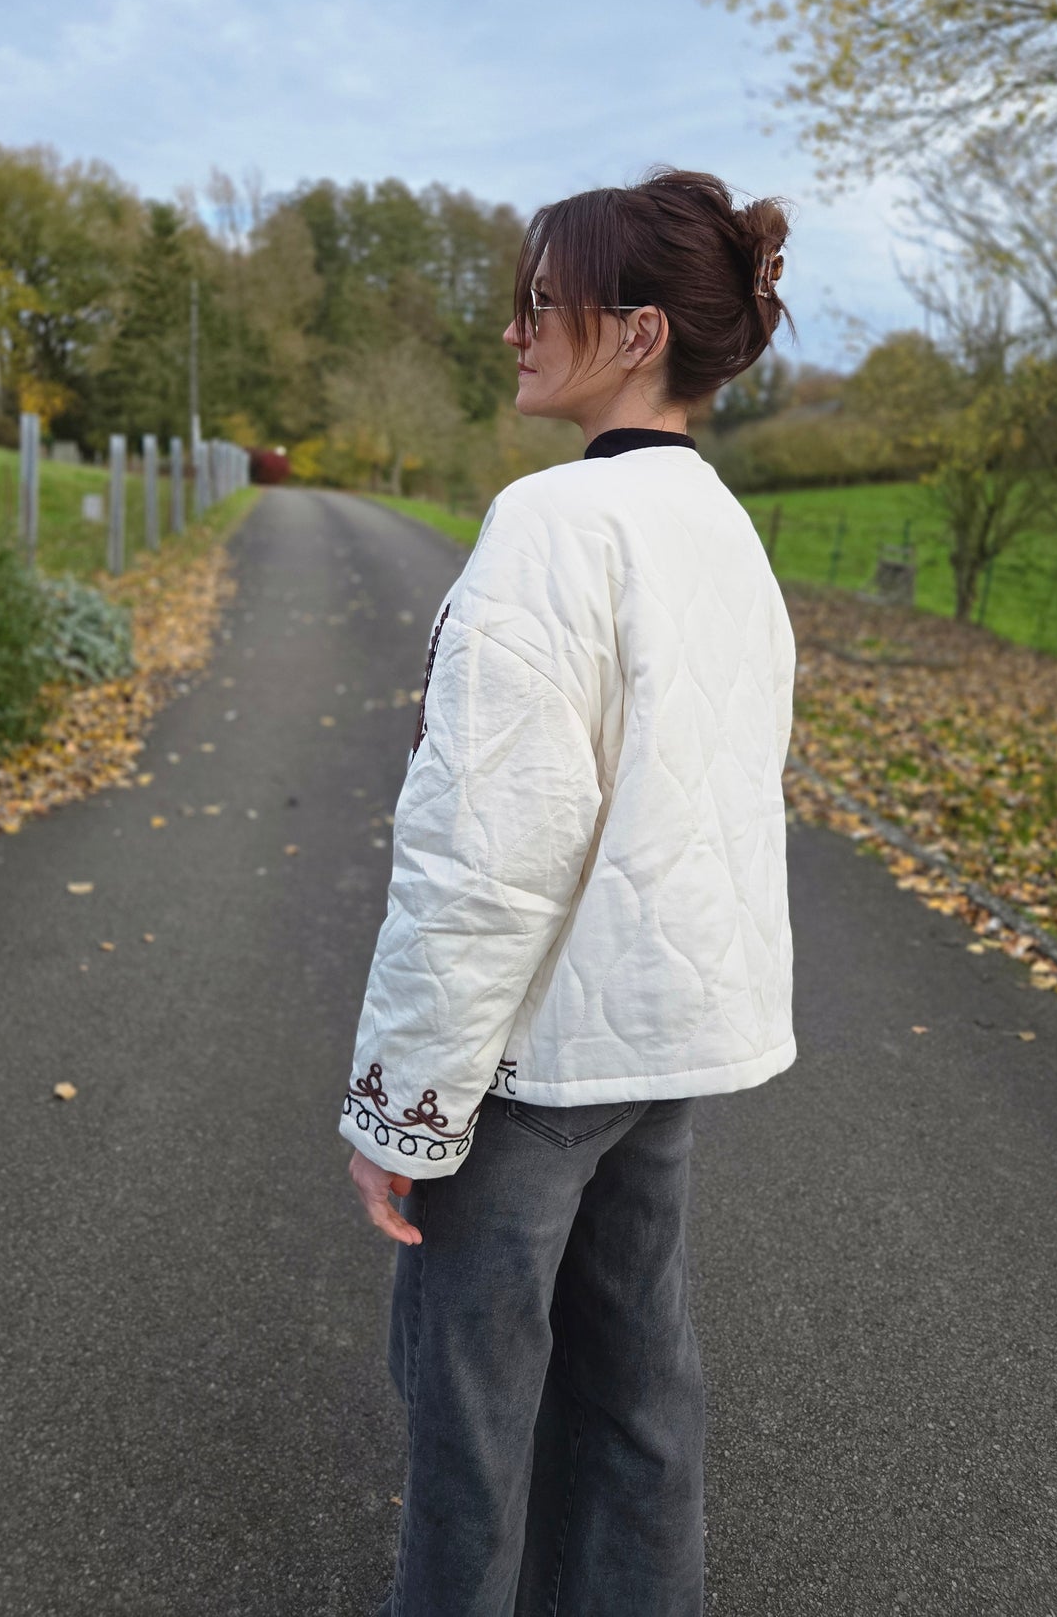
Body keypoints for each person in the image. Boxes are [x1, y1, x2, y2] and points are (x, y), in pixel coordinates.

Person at [338, 167, 798, 1617]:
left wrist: (406, 1104)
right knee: (635, 1385)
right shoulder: (721, 529)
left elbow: (486, 845)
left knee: (470, 1411)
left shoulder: (553, 523)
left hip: (536, 1058)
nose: (517, 327)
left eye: (546, 299)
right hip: (664, 1033)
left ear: (641, 330)